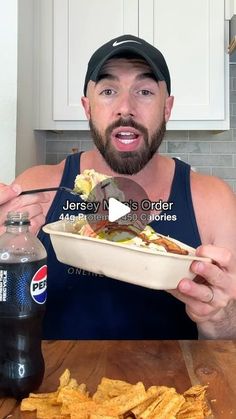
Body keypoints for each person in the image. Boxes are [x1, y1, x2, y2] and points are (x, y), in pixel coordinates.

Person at [1, 34, 236, 339]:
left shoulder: (214, 201)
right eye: (109, 91)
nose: (126, 108)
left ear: (167, 108)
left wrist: (221, 316)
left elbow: (230, 339)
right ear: (87, 108)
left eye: (145, 91)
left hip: (175, 387)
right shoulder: (37, 189)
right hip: (51, 385)